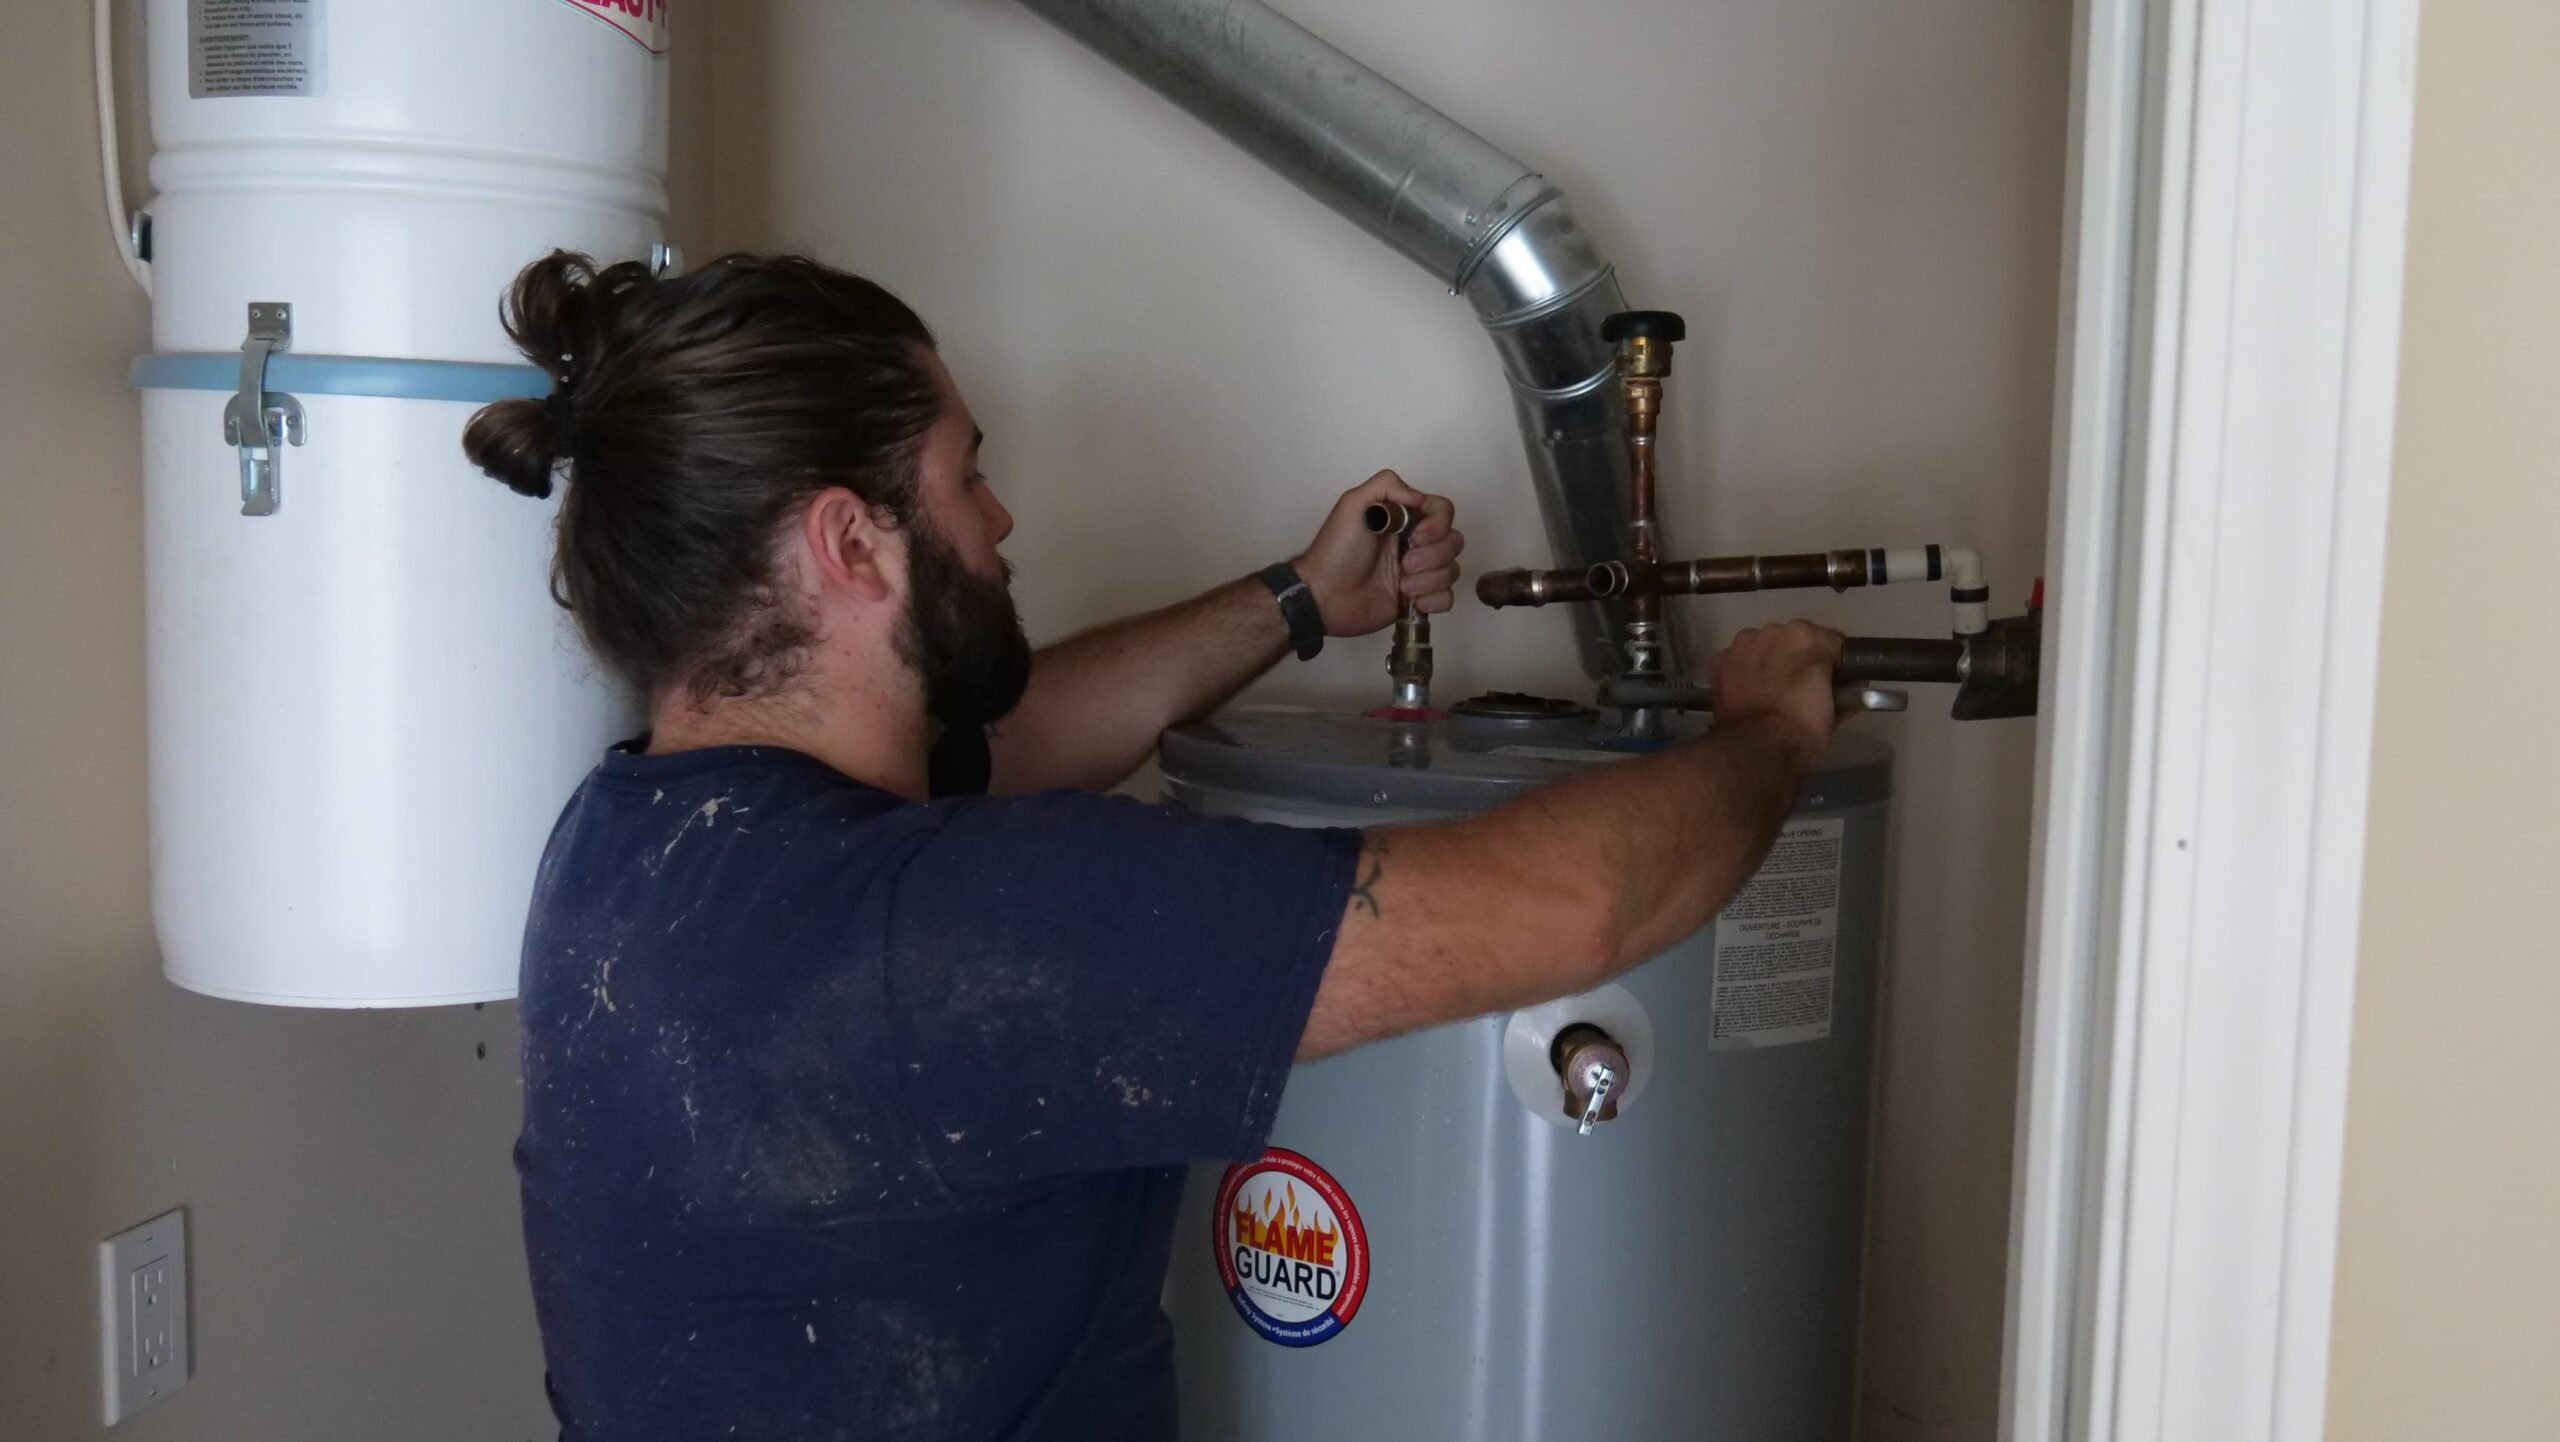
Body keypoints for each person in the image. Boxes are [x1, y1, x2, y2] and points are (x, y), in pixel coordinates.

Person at [465, 250, 1846, 1442]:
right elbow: (1575, 904)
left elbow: (1011, 745)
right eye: (965, 476)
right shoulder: (960, 936)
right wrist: (1772, 732)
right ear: (851, 541)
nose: (998, 522)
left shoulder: (623, 847)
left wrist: (1302, 596)